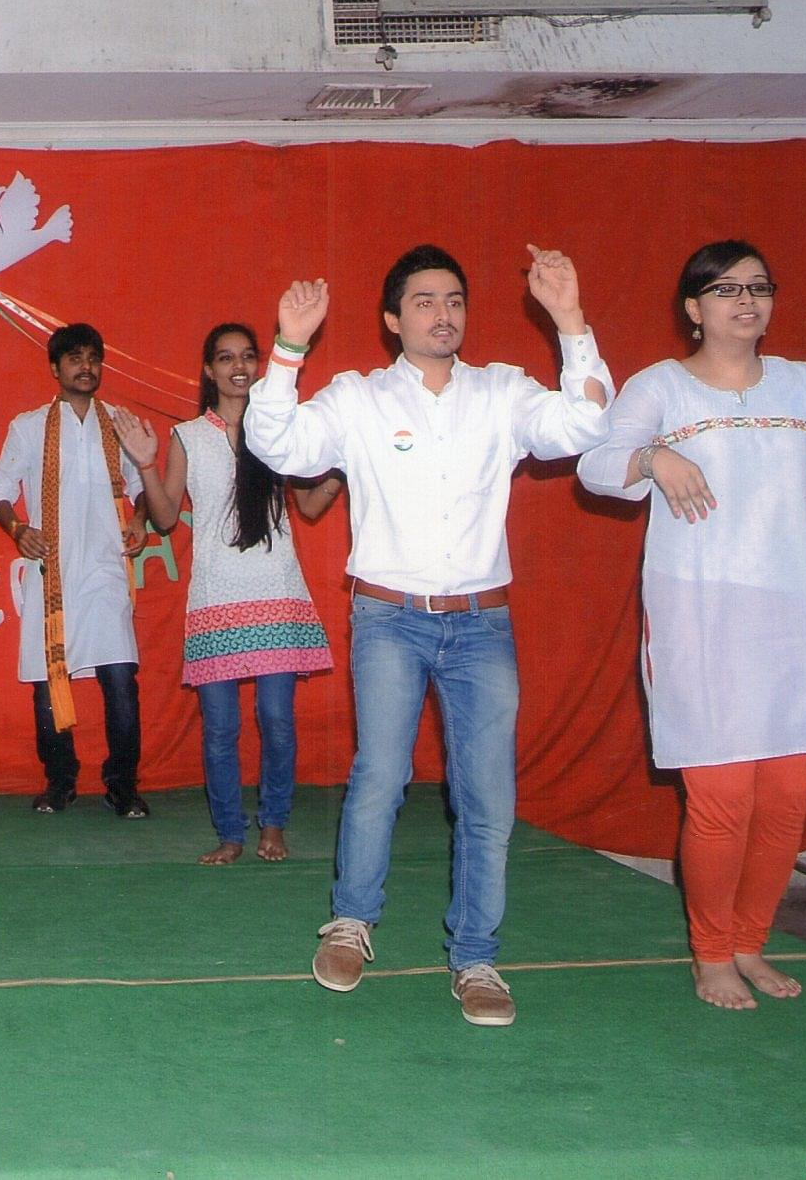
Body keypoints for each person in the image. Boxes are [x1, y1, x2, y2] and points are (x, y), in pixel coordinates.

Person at [245, 244, 611, 1027]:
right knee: (380, 774)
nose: (442, 314)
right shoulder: (358, 398)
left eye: (453, 300)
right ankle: (352, 921)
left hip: (482, 622)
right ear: (391, 319)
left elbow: (584, 422)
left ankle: (476, 958)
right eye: (423, 301)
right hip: (388, 618)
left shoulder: (503, 391)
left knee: (488, 795)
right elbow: (276, 443)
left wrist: (570, 319)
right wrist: (289, 347)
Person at [578, 241, 806, 1010]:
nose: (747, 300)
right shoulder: (661, 387)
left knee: (786, 798)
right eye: (727, 288)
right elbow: (595, 466)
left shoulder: (803, 385)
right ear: (694, 308)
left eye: (759, 287)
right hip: (701, 617)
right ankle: (711, 954)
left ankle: (748, 943)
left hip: (793, 620)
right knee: (723, 797)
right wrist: (652, 458)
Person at [155, 323, 339, 864]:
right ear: (208, 371)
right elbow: (164, 518)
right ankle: (230, 833)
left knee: (277, 719)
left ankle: (273, 824)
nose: (238, 367)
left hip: (277, 592)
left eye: (248, 357)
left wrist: (344, 466)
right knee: (221, 728)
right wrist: (144, 464)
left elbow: (310, 506)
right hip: (215, 597)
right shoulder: (188, 436)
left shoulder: (280, 430)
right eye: (225, 358)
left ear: (260, 367)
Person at [0, 323, 162, 818]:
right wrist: (18, 529)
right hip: (52, 572)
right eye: (75, 359)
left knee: (121, 678)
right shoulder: (28, 426)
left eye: (93, 359)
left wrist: (140, 520)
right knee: (48, 680)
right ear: (55, 368)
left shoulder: (120, 425)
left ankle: (122, 785)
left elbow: (141, 487)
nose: (86, 367)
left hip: (105, 569)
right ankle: (60, 781)